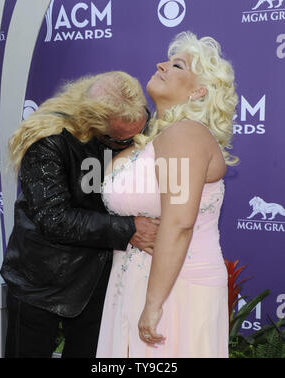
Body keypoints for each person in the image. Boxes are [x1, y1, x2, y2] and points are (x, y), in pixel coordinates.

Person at [96, 31, 239, 358]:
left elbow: (179, 223)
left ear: (200, 90)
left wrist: (153, 303)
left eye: (176, 65)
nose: (161, 65)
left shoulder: (186, 133)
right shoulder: (147, 141)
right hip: (132, 284)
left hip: (175, 290)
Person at [0, 71, 159, 358]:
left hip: (100, 278)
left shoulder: (133, 123)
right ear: (94, 124)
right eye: (121, 141)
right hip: (41, 280)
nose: (133, 143)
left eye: (141, 126)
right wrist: (129, 229)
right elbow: (54, 219)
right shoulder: (47, 139)